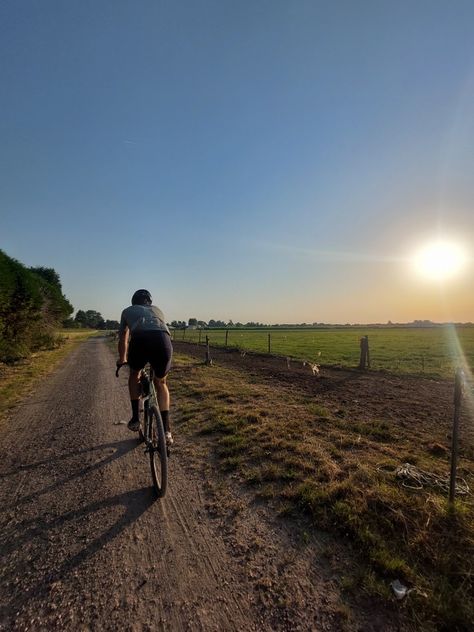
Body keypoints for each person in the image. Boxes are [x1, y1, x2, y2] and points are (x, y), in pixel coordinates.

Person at [117, 289, 173, 443]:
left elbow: (123, 337)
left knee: (135, 374)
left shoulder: (127, 311)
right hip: (163, 342)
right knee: (161, 382)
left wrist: (122, 359)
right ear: (149, 301)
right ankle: (167, 431)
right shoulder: (157, 310)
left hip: (140, 341)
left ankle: (135, 419)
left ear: (133, 302)